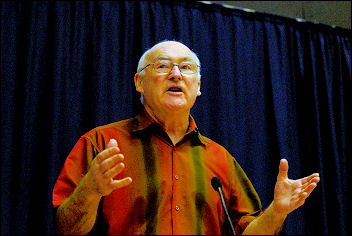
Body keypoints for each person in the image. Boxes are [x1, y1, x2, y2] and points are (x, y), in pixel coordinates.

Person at [52, 40, 320, 235]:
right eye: (162, 66)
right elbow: (65, 229)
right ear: (139, 82)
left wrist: (277, 211)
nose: (176, 74)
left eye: (186, 68)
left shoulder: (219, 158)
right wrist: (91, 190)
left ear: (199, 87)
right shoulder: (100, 144)